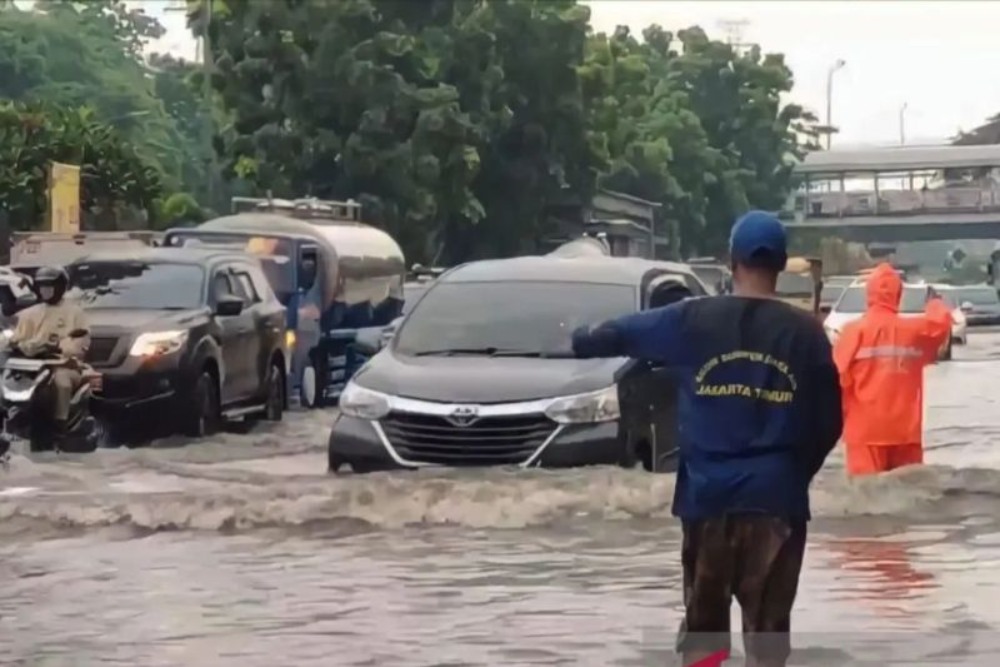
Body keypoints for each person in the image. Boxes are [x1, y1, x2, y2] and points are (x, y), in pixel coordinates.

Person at [571, 211, 843, 667]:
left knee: (705, 638)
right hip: (777, 501)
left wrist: (578, 338)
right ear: (779, 265)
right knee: (769, 644)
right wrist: (793, 474)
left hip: (707, 500)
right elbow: (830, 422)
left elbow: (616, 335)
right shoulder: (808, 335)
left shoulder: (690, 320)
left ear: (731, 261)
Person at [832, 263, 952, 477]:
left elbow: (834, 381)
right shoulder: (914, 331)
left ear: (869, 293)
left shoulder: (852, 332)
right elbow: (941, 323)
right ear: (898, 294)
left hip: (865, 432)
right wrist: (935, 301)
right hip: (905, 432)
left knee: (865, 494)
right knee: (909, 493)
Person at [9, 265, 90, 446]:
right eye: (42, 286)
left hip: (64, 365)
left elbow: (80, 342)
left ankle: (60, 426)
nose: (45, 291)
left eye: (49, 286)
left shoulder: (75, 313)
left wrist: (60, 348)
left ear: (60, 287)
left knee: (61, 383)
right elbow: (15, 336)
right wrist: (10, 343)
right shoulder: (29, 313)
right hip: (30, 366)